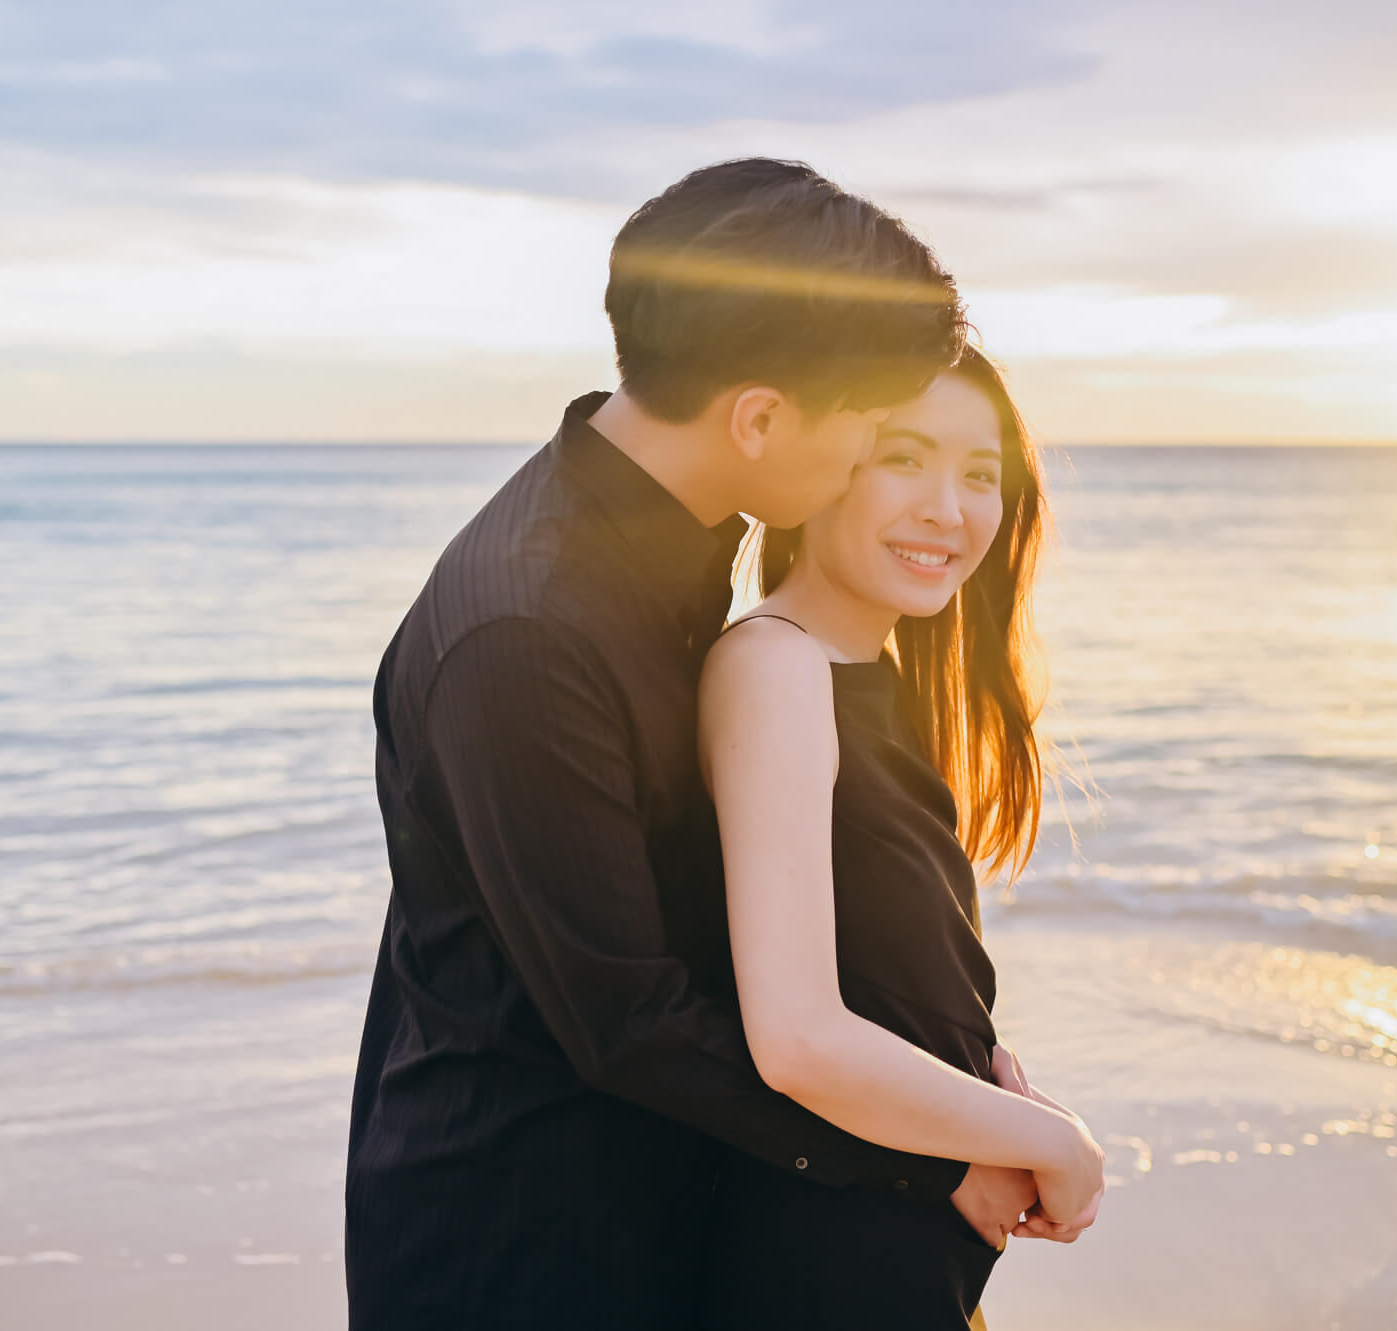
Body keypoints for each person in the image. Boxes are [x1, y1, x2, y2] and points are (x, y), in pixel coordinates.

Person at [345, 159, 1079, 1329]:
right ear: (758, 417)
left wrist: (952, 1096)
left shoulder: (681, 564)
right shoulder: (525, 630)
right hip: (525, 1248)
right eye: (867, 432)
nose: (863, 465)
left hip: (684, 1210)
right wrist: (940, 1154)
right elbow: (629, 1020)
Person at [696, 347, 1104, 1328]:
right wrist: (1056, 1142)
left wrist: (985, 1102)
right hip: (827, 1263)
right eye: (903, 458)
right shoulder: (775, 665)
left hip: (901, 1251)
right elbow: (796, 1037)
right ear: (819, 470)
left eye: (979, 474)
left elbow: (886, 984)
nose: (947, 508)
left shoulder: (864, 678)